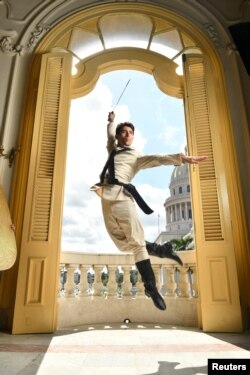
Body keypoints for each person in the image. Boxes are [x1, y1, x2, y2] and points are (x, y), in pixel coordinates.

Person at [91, 111, 207, 311]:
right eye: (124, 132)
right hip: (105, 196)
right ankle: (162, 250)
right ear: (119, 137)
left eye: (130, 132)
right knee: (123, 244)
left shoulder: (135, 156)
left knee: (136, 242)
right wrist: (111, 122)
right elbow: (110, 136)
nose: (128, 135)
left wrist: (179, 158)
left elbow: (157, 159)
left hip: (123, 196)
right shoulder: (113, 150)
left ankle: (151, 288)